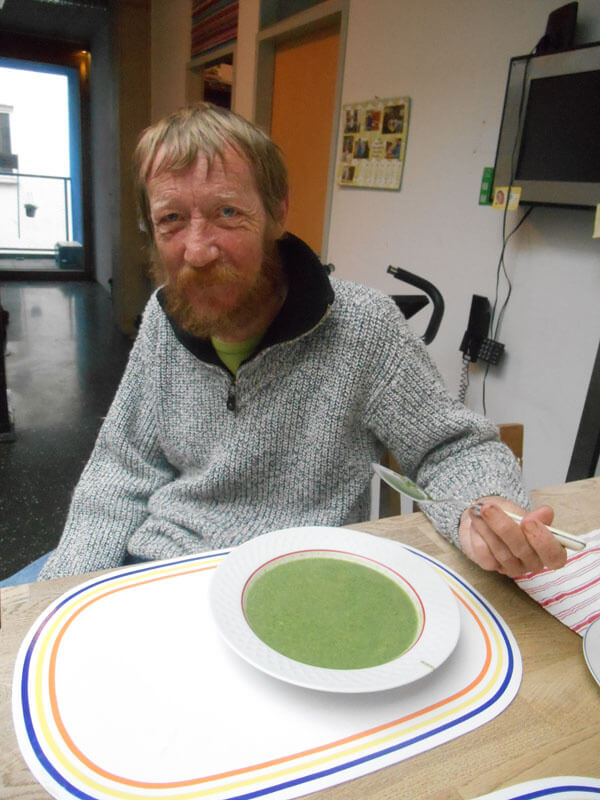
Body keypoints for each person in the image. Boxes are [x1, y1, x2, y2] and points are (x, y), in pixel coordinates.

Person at [22, 102, 565, 584]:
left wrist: (485, 511)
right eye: (171, 219)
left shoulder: (365, 328)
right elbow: (121, 468)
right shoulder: (162, 322)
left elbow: (451, 448)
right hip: (161, 571)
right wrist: (66, 592)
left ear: (277, 213)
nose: (197, 250)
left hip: (296, 582)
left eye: (227, 212)